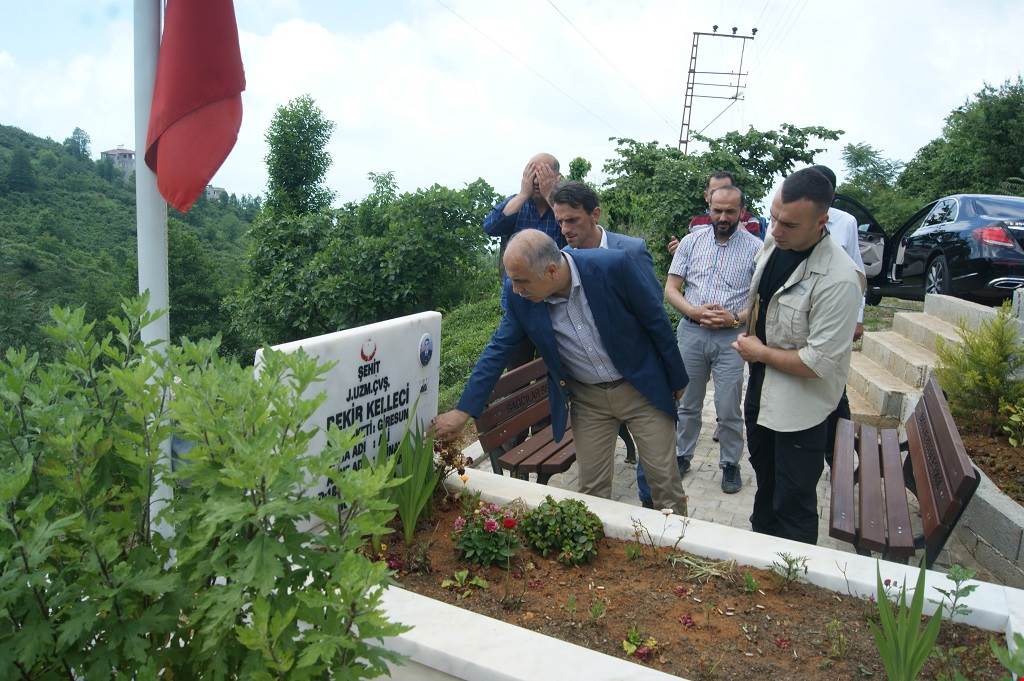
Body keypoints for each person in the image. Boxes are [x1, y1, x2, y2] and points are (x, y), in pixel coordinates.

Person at [431, 230, 689, 513]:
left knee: (664, 485)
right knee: (592, 493)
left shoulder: (613, 266)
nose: (515, 289)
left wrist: (676, 379)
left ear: (552, 271)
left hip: (641, 391)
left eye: (521, 281)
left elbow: (657, 322)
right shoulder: (521, 297)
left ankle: (676, 550)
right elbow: (497, 350)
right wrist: (462, 411)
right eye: (511, 280)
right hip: (589, 401)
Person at [732, 168, 864, 544]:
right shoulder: (776, 243)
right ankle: (762, 560)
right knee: (765, 486)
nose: (775, 230)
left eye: (788, 224)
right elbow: (766, 298)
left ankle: (796, 577)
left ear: (822, 222)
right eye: (773, 217)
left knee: (794, 501)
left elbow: (817, 362)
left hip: (800, 411)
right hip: (761, 389)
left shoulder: (839, 279)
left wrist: (759, 351)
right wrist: (745, 323)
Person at [642, 184, 761, 503]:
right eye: (717, 210)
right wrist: (693, 310)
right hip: (692, 334)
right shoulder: (691, 243)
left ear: (741, 212)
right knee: (687, 401)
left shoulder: (756, 248)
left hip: (732, 338)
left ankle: (731, 463)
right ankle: (682, 455)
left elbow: (761, 302)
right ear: (708, 207)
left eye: (730, 211)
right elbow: (671, 289)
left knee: (727, 405)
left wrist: (734, 319)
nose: (723, 217)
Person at [809, 165, 867, 467]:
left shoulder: (846, 222)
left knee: (834, 388)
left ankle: (840, 458)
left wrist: (859, 316)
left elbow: (858, 271)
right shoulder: (799, 218)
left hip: (836, 317)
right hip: (806, 318)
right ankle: (818, 451)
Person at [667, 171, 762, 255]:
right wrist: (681, 252)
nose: (720, 195)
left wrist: (736, 222)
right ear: (706, 196)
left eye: (726, 190)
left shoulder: (750, 220)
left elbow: (757, 254)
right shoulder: (696, 223)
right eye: (714, 192)